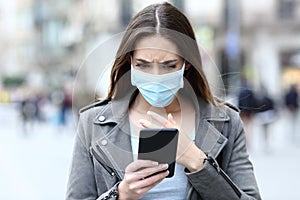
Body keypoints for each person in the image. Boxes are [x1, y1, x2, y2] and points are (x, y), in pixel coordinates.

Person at [66, 2, 261, 200]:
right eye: (143, 65)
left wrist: (197, 162)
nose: (156, 76)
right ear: (130, 62)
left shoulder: (226, 122)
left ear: (186, 64)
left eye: (169, 65)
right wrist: (121, 194)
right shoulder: (92, 124)